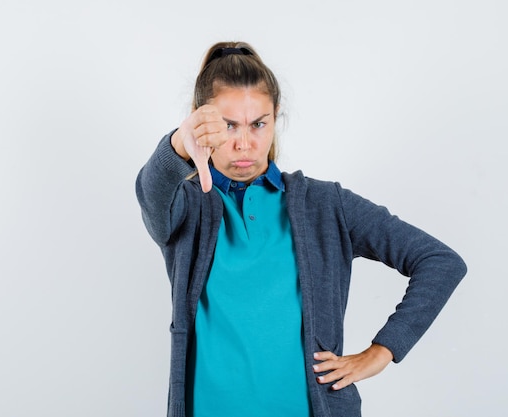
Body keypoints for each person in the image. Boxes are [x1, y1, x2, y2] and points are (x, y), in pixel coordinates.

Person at [135, 41, 466, 417]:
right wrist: (180, 142)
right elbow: (151, 192)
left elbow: (440, 262)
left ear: (276, 118)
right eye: (228, 126)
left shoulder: (325, 204)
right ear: (202, 123)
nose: (245, 143)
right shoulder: (187, 205)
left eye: (258, 123)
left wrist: (383, 351)